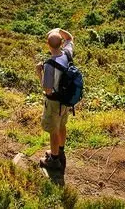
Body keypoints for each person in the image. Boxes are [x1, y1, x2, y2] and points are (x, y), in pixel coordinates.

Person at [37, 28, 74, 170]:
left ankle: (53, 160)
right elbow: (70, 38)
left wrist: (39, 73)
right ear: (61, 43)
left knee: (53, 130)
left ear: (48, 45)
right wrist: (59, 30)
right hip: (66, 99)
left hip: (53, 102)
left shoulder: (49, 64)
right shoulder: (67, 53)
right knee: (62, 125)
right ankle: (60, 150)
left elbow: (47, 90)